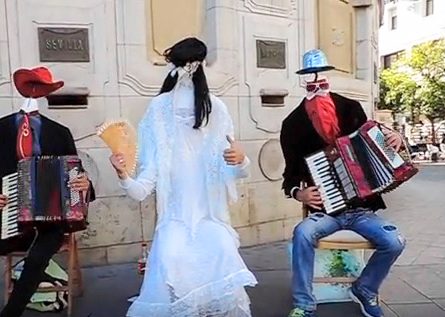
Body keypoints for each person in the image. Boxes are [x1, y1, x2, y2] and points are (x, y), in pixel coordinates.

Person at [110, 37, 257, 317]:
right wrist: (123, 175)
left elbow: (236, 169)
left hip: (210, 219)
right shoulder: (158, 111)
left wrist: (242, 159)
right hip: (174, 220)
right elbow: (142, 188)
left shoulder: (217, 110)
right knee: (168, 253)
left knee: (223, 249)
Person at [280, 50, 405, 317]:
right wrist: (299, 193)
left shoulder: (351, 108)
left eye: (321, 75)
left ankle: (365, 288)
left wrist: (393, 138)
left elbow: (375, 141)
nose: (317, 81)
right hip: (324, 212)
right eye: (311, 77)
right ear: (303, 81)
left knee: (395, 241)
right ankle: (303, 303)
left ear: (328, 76)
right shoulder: (291, 124)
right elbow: (289, 176)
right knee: (302, 234)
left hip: (361, 210)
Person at [0, 66, 95, 317]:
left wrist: (85, 186)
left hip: (50, 222)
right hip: (7, 218)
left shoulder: (60, 133)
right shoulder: (0, 129)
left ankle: (11, 312)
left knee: (38, 255)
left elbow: (78, 174)